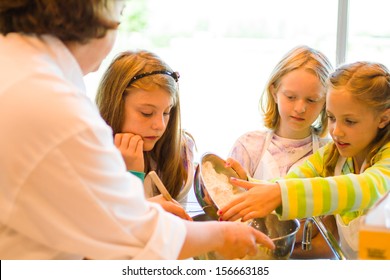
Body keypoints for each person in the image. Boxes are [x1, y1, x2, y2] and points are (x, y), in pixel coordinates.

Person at [0, 0, 274, 260]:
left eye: (166, 113)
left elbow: (85, 215)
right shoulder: (52, 106)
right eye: (118, 15)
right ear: (93, 14)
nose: (158, 124)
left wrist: (146, 210)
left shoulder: (20, 70)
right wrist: (222, 234)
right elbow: (128, 235)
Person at [220, 61, 390, 259]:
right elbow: (291, 183)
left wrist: (279, 194)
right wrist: (248, 185)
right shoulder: (331, 155)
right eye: (331, 117)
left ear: (383, 119)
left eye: (349, 121)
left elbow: (366, 189)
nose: (336, 131)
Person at [227, 45, 337, 258]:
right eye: (291, 97)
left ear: (326, 102)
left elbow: (328, 244)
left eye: (312, 100)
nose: (300, 108)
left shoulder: (331, 154)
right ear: (274, 91)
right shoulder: (248, 147)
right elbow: (230, 219)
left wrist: (273, 253)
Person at [95, 50, 194, 221]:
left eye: (166, 112)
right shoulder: (92, 156)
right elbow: (113, 230)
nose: (160, 125)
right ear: (114, 106)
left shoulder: (181, 152)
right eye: (146, 113)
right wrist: (132, 175)